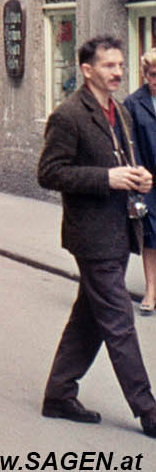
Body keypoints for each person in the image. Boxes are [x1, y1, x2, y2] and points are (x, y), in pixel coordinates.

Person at [39, 34, 156, 437]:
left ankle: (58, 393)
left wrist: (137, 176)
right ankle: (148, 409)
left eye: (121, 66)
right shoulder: (69, 115)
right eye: (109, 66)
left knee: (88, 317)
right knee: (119, 319)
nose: (118, 73)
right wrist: (107, 178)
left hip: (119, 226)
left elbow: (123, 159)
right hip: (91, 234)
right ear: (86, 70)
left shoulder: (119, 113)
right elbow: (50, 172)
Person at [125, 49, 156, 314]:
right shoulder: (134, 103)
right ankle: (151, 291)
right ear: (145, 75)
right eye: (153, 75)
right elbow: (130, 144)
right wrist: (138, 175)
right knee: (151, 238)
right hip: (149, 182)